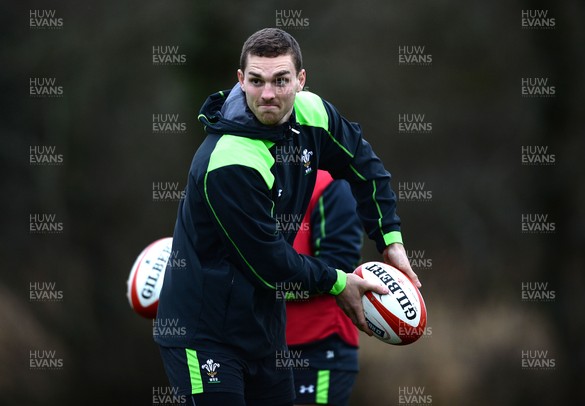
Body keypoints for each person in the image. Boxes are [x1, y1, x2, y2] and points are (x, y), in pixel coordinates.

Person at [155, 27, 420, 406]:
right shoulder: (231, 159)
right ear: (240, 80)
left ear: (301, 80)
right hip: (204, 334)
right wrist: (337, 282)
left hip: (264, 334)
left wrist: (390, 241)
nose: (267, 94)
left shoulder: (313, 113)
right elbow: (270, 263)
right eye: (256, 81)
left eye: (281, 80)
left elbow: (365, 167)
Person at [286, 170, 362, 406]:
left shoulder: (330, 182)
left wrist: (264, 284)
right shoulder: (254, 173)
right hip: (266, 348)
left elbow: (337, 266)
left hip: (320, 347)